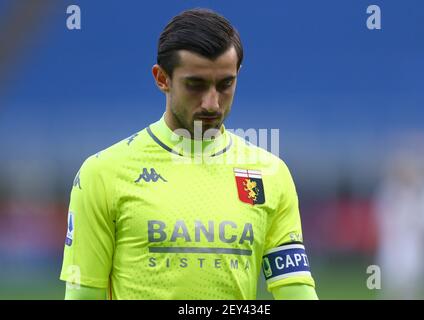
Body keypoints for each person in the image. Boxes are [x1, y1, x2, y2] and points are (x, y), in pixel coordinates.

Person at [60, 8, 317, 300]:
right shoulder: (102, 174)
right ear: (162, 78)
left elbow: (295, 292)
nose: (212, 103)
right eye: (195, 85)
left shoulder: (271, 174)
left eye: (225, 85)